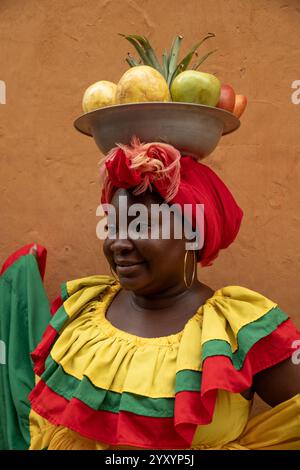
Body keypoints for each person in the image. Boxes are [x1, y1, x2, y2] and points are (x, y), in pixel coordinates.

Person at [1, 138, 300, 450]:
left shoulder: (236, 329)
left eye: (141, 227)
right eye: (112, 226)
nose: (119, 243)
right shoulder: (80, 313)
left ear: (193, 233)